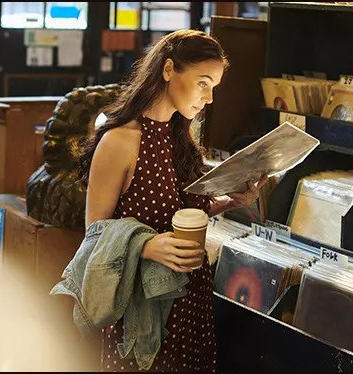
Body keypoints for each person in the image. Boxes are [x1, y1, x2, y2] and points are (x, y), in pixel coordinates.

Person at [77, 29, 267, 373]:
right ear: (168, 70)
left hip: (191, 301)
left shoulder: (180, 137)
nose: (208, 99)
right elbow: (93, 234)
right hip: (142, 310)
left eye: (214, 88)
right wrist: (146, 246)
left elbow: (176, 212)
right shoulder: (120, 140)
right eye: (202, 83)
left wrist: (229, 201)